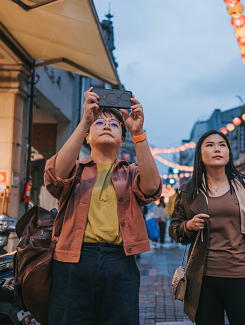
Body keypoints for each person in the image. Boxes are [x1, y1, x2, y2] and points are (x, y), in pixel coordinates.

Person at [44, 87, 162, 324]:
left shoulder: (130, 173)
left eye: (115, 125)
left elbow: (151, 187)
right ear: (87, 136)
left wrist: (138, 133)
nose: (107, 126)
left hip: (119, 260)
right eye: (98, 123)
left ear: (121, 140)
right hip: (73, 260)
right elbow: (55, 175)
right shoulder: (75, 169)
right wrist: (84, 121)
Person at [168, 130, 245, 325]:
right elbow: (175, 230)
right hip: (204, 280)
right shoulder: (189, 191)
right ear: (200, 156)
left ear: (228, 153)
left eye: (222, 145)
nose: (217, 149)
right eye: (209, 145)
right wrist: (189, 226)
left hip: (244, 277)